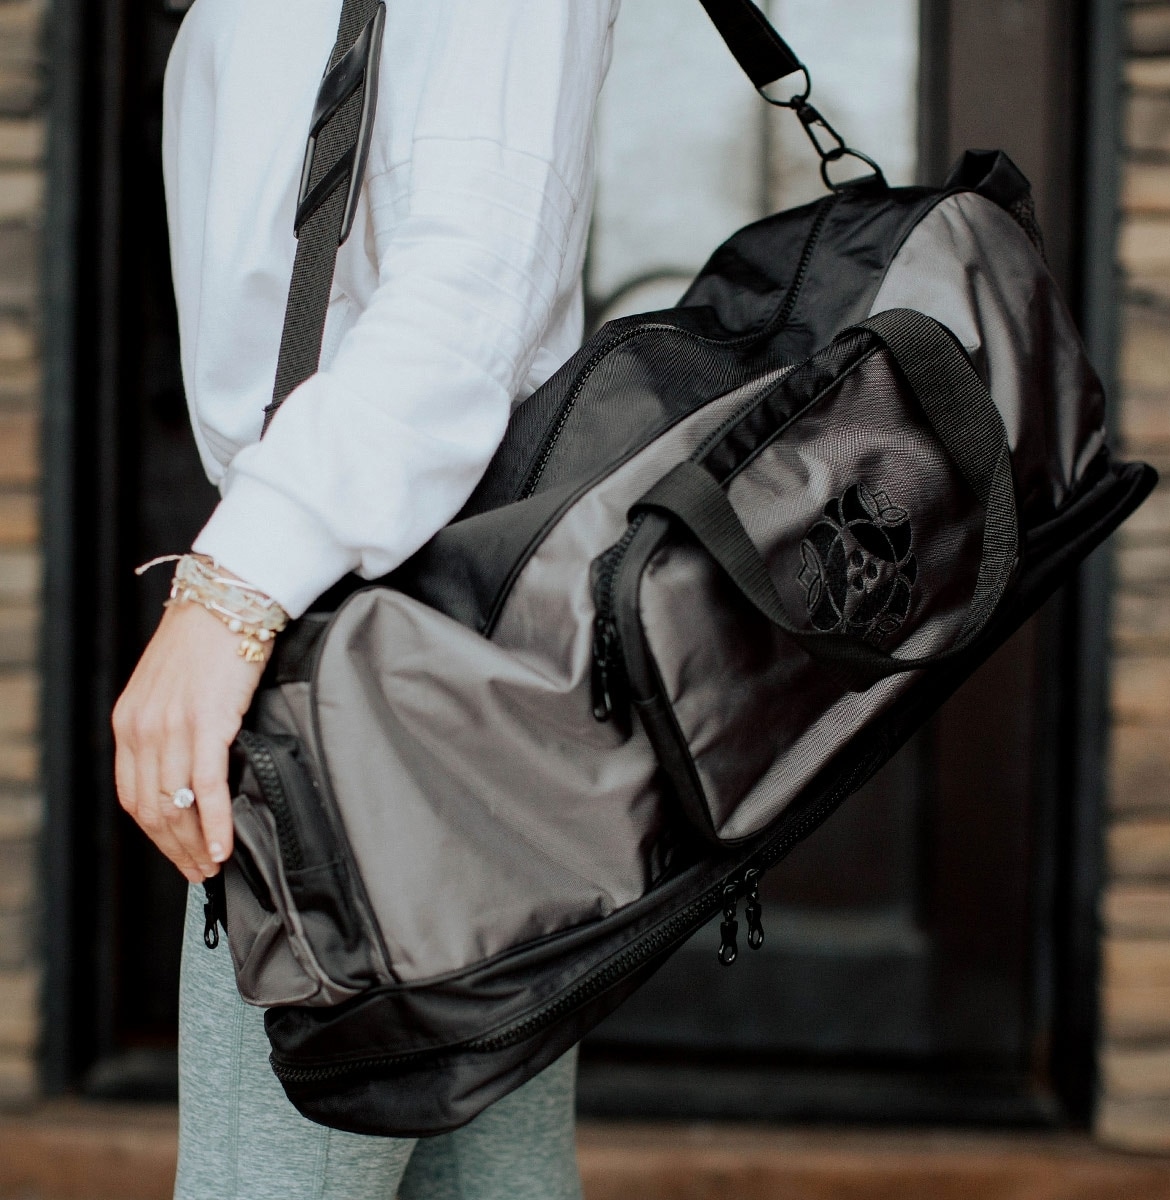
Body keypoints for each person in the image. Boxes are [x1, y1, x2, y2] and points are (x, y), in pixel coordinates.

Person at [110, 0, 621, 1195]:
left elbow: (465, 296)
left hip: (372, 663)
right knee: (488, 1181)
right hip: (418, 647)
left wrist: (233, 592)